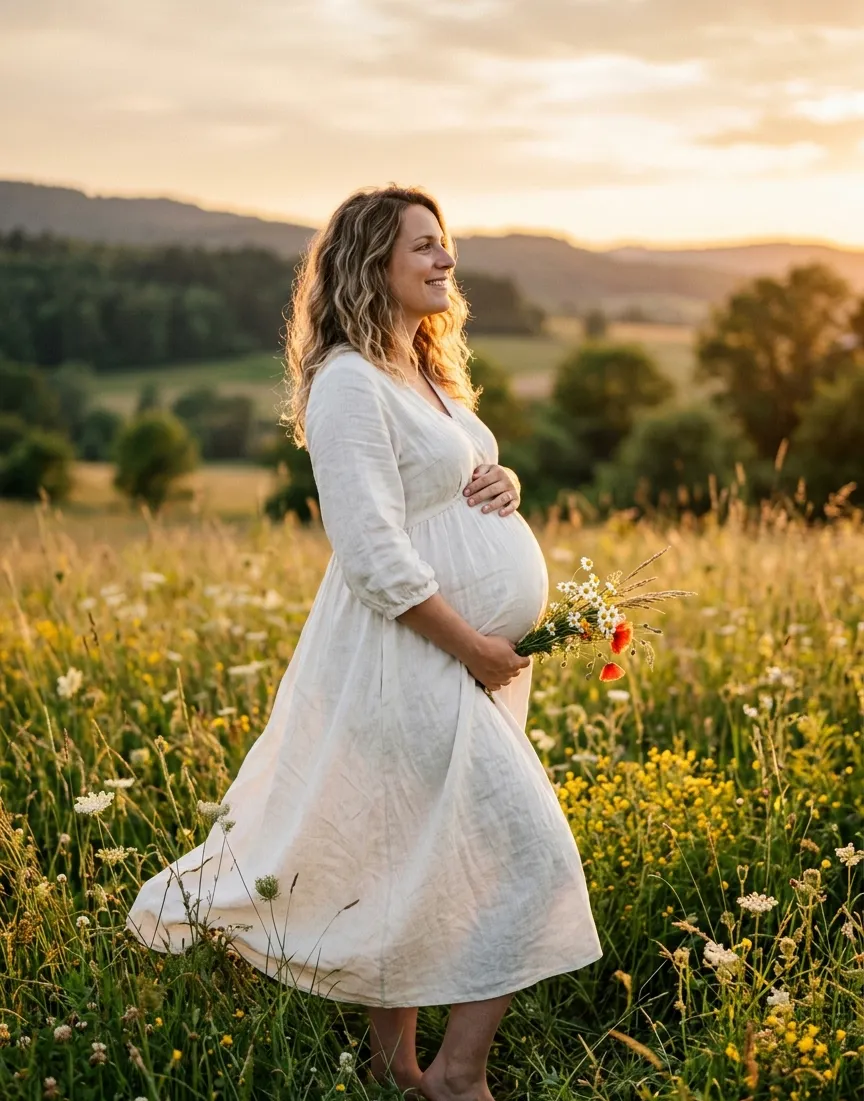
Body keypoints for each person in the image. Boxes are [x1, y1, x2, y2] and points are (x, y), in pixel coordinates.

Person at [125, 184, 601, 1101]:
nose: (445, 260)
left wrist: (499, 476)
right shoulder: (347, 380)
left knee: (406, 853)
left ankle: (395, 1069)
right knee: (532, 854)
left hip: (460, 662)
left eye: (445, 243)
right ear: (369, 263)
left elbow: (444, 484)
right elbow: (373, 551)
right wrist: (473, 645)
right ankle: (459, 1079)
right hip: (409, 656)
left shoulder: (424, 372)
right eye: (423, 246)